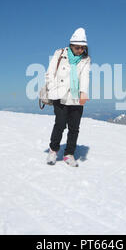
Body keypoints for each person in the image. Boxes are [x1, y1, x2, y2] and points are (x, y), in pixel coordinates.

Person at [45, 27, 91, 167]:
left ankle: (69, 154)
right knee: (60, 124)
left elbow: (84, 76)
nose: (80, 51)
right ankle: (53, 150)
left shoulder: (85, 59)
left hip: (76, 97)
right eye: (78, 47)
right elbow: (50, 73)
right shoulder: (59, 54)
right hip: (60, 95)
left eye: (83, 48)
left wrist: (84, 92)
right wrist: (53, 89)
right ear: (71, 45)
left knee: (74, 127)